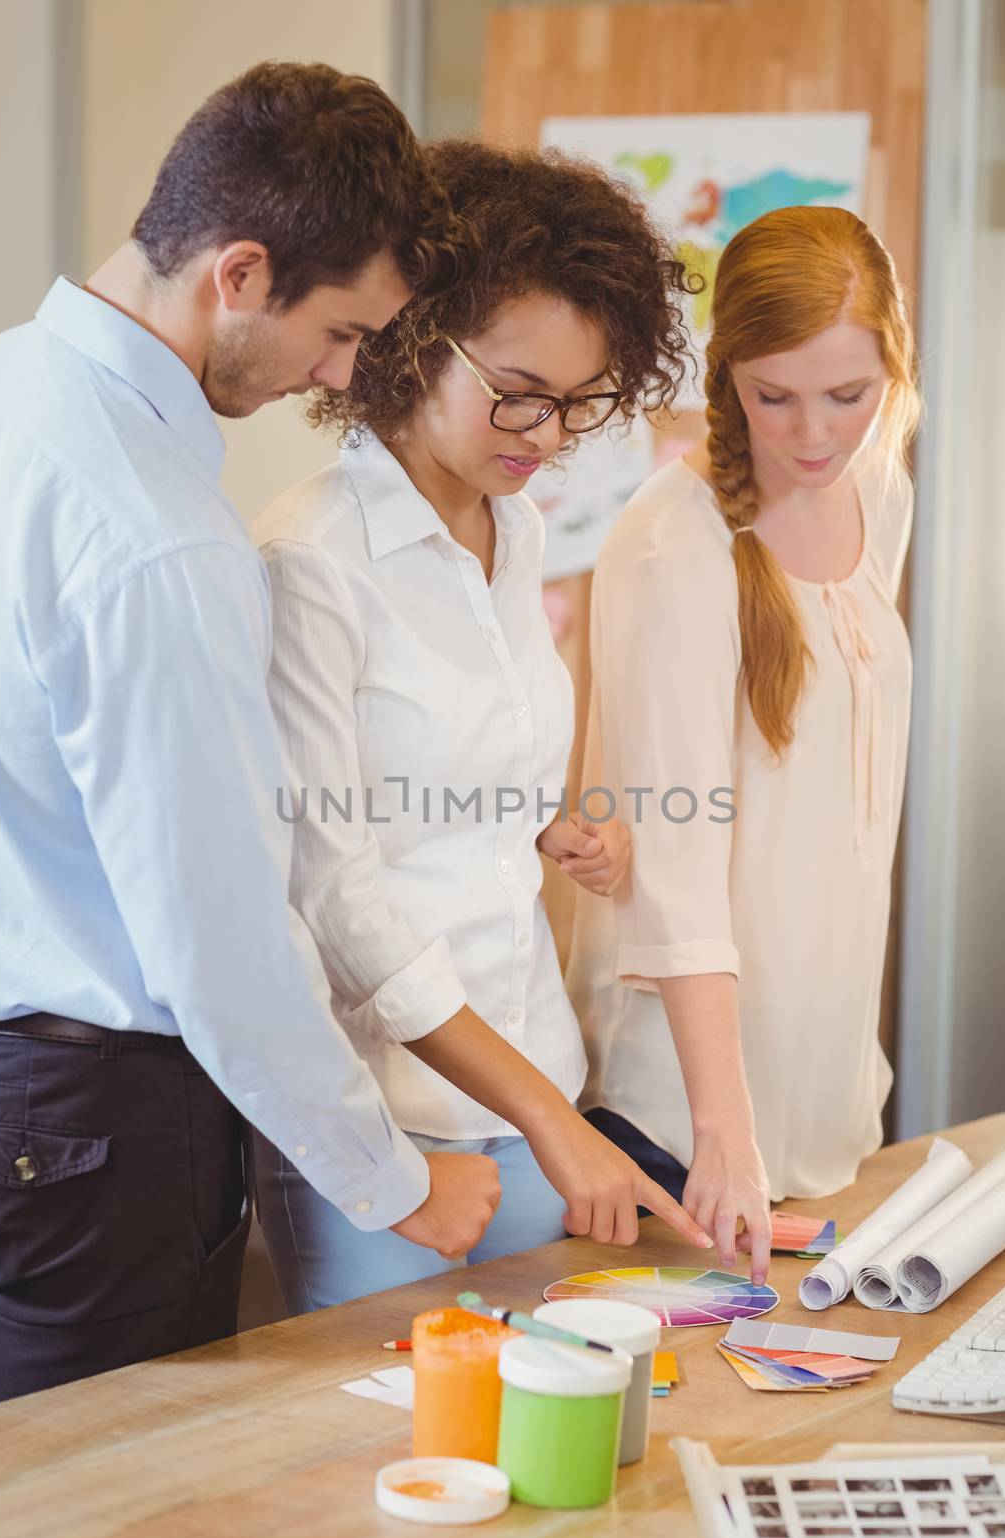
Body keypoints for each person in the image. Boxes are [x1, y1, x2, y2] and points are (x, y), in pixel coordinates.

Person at [0, 62, 505, 1407]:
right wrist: (397, 1178)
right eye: (338, 333)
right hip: (93, 1121)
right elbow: (217, 940)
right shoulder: (160, 536)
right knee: (95, 1526)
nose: (334, 376)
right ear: (241, 272)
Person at [253, 140, 716, 1310]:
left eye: (578, 404)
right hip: (405, 1140)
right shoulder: (309, 560)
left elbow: (445, 765)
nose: (548, 435)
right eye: (518, 392)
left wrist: (547, 817)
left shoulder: (519, 535)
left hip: (538, 1096)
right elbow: (335, 896)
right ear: (410, 337)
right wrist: (546, 1117)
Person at [570, 206, 921, 1286]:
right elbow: (674, 863)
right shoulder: (673, 546)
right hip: (690, 1114)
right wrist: (722, 1131)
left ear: (892, 373)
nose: (811, 434)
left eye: (846, 397)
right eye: (773, 397)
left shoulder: (875, 492)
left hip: (826, 1095)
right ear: (725, 379)